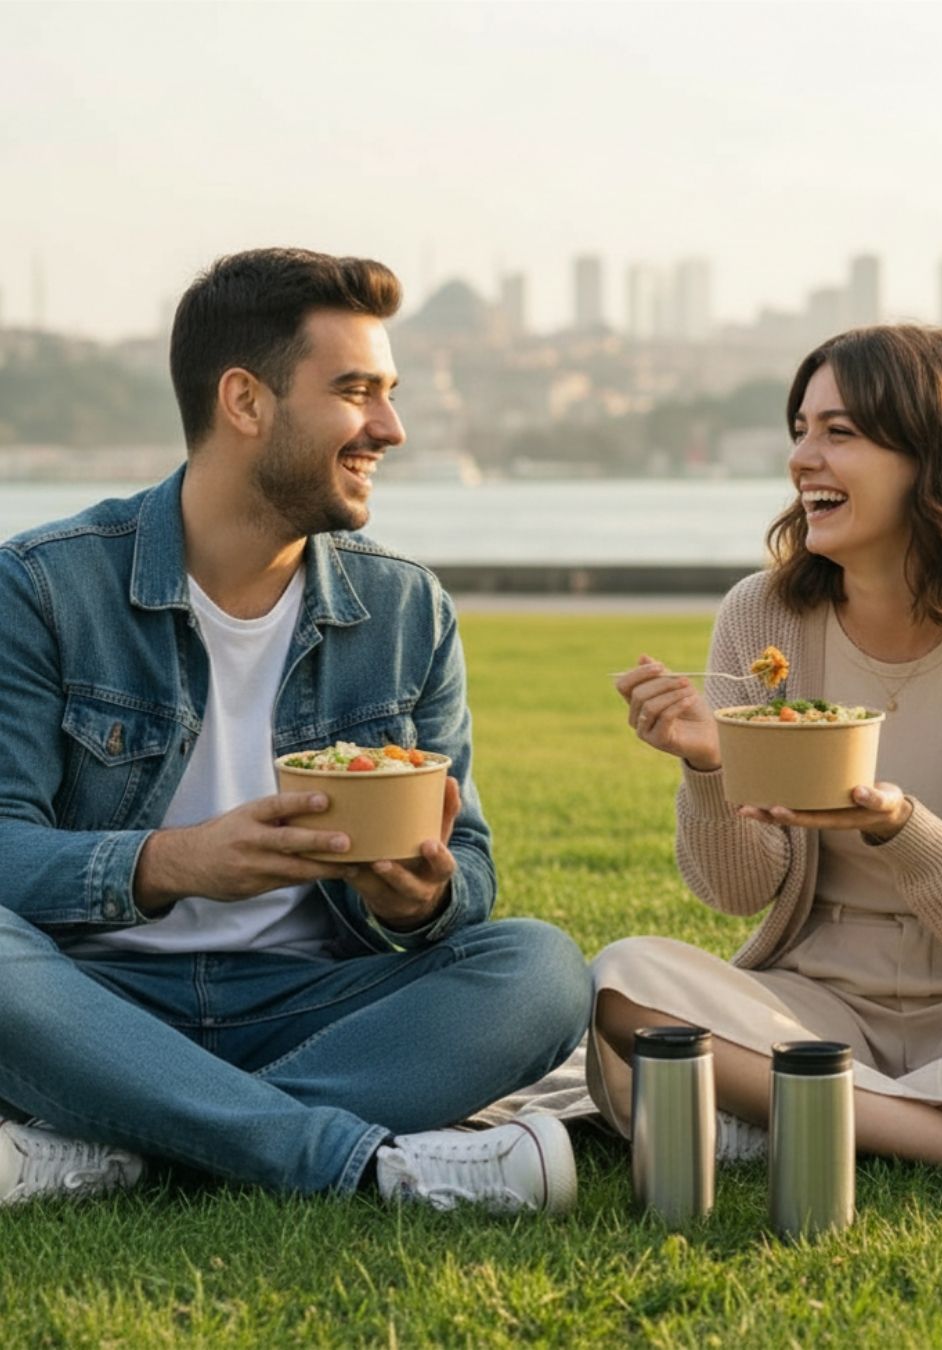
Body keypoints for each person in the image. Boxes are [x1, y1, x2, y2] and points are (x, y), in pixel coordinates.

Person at [0, 247, 589, 1212]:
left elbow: (469, 868)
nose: (390, 428)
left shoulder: (407, 609)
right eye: (356, 391)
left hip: (313, 1007)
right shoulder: (43, 589)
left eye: (388, 393)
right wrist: (173, 864)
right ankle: (358, 1161)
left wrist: (414, 902)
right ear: (245, 402)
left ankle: (119, 1136)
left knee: (539, 969)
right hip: (92, 999)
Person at [598, 324, 942, 1186]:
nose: (802, 459)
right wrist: (712, 770)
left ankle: (796, 1109)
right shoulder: (764, 617)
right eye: (800, 431)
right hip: (811, 1006)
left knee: (662, 1070)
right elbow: (737, 891)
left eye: (839, 433)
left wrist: (899, 825)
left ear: (935, 454)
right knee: (619, 980)